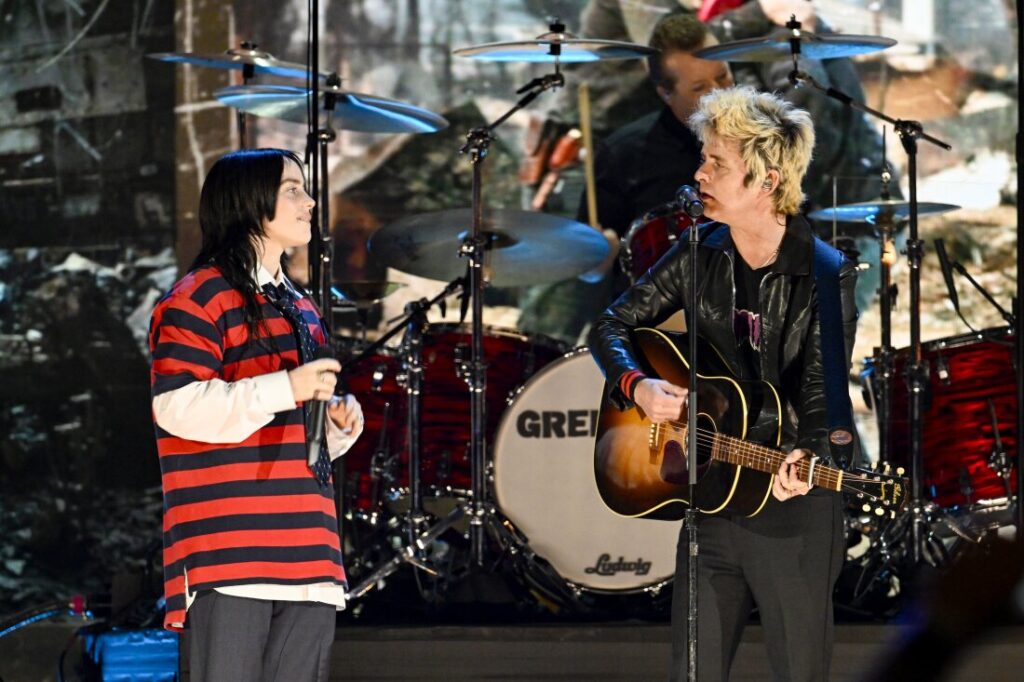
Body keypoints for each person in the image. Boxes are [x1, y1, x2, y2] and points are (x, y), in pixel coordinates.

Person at [588, 86, 858, 681]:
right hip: (709, 497)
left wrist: (809, 453)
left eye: (717, 163)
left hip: (791, 506)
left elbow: (824, 391)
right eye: (703, 157)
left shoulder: (826, 274)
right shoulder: (697, 251)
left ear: (765, 180)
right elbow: (611, 323)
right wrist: (637, 388)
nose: (699, 172)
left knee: (798, 669)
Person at [148, 148, 364, 681]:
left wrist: (334, 428)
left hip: (309, 550)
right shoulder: (198, 298)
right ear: (247, 202)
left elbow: (292, 425)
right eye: (292, 188)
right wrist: (285, 386)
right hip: (231, 552)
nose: (309, 201)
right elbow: (177, 407)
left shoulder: (302, 307)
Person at [519, 13, 732, 344]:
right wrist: (601, 253)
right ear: (664, 92)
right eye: (700, 88)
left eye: (723, 76)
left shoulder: (763, 138)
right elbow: (590, 256)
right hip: (653, 330)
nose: (720, 94)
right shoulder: (624, 153)